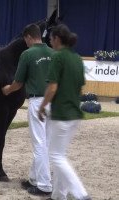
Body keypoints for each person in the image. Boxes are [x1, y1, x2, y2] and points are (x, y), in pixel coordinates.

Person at [38, 24, 92, 200]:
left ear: (57, 39)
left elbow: (52, 87)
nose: (50, 42)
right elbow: (80, 86)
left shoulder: (58, 57)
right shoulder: (77, 58)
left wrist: (41, 106)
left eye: (51, 39)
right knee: (60, 155)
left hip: (61, 114)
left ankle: (81, 194)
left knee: (56, 156)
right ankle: (58, 196)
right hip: (75, 114)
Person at [2, 23, 53, 196]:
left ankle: (44, 185)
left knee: (39, 144)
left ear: (29, 37)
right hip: (53, 102)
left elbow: (18, 83)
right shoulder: (53, 53)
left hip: (38, 102)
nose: (26, 43)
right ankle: (33, 179)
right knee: (44, 142)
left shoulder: (28, 54)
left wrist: (7, 89)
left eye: (26, 40)